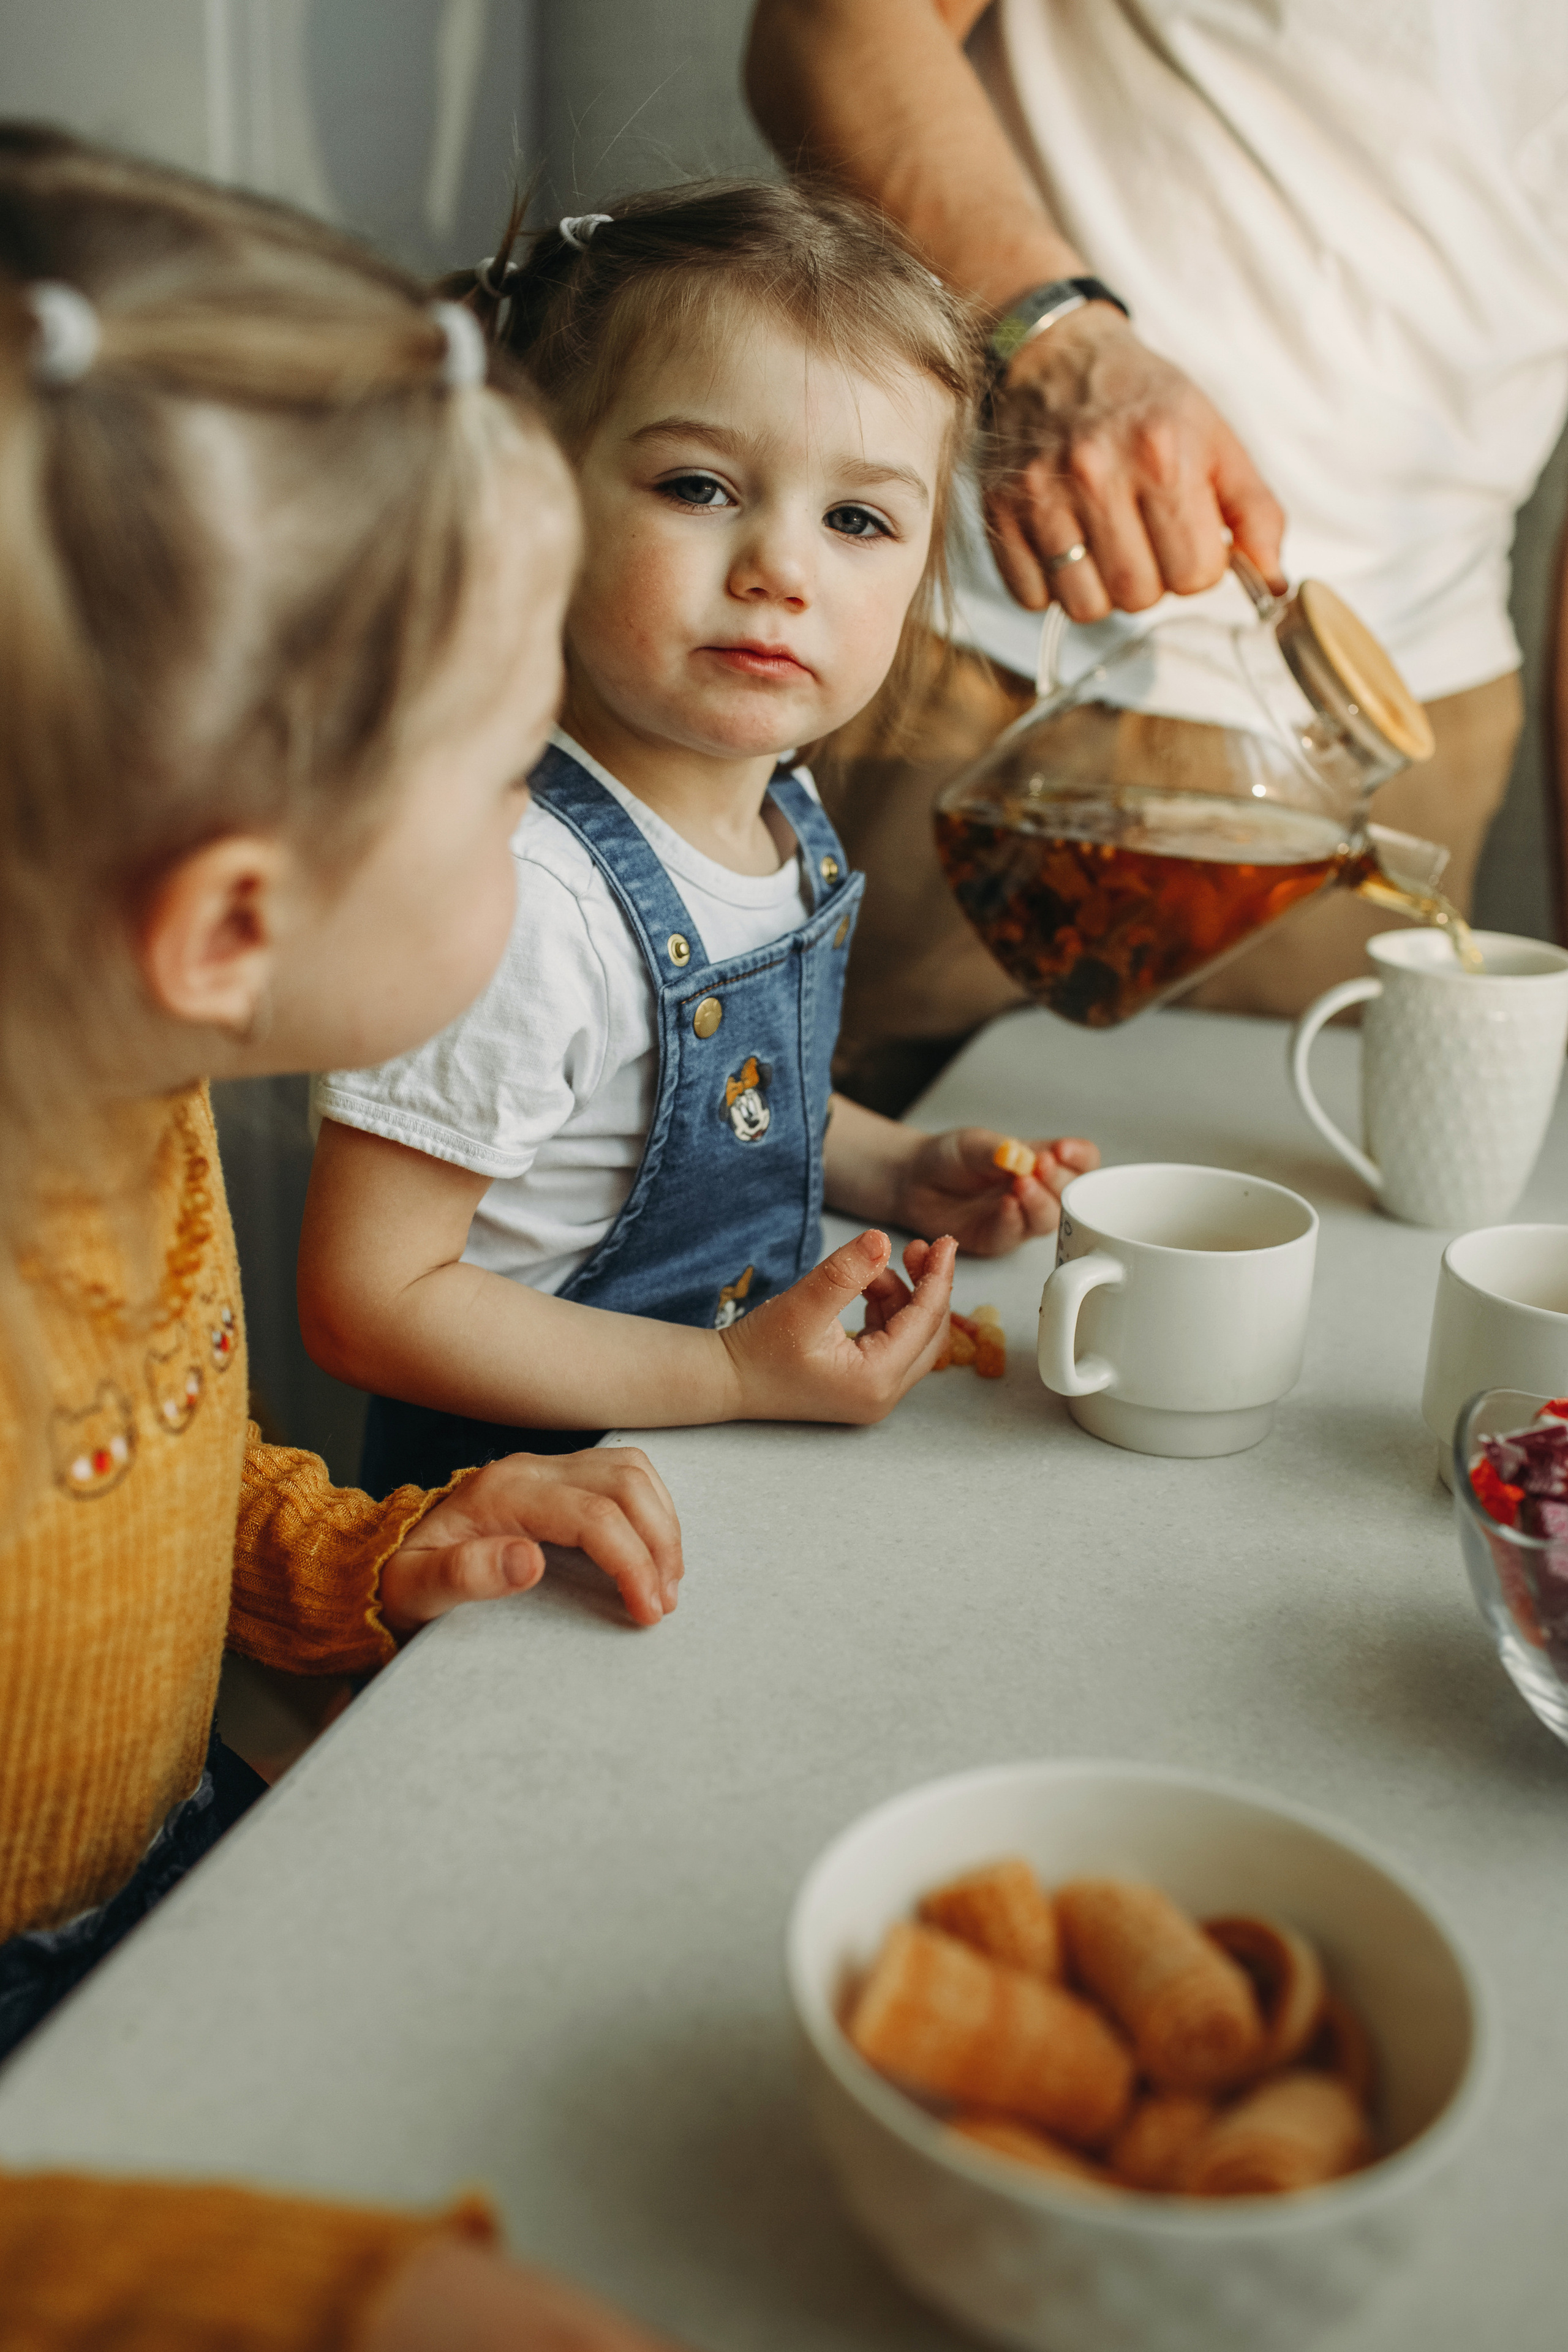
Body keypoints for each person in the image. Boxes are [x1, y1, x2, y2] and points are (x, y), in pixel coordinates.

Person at [0, 123, 694, 2350]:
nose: (548, 815)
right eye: (512, 777)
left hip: (172, 1871)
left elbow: (143, 1485)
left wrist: (362, 1560)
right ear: (230, 922)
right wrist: (322, 2300)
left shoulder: (129, 1088)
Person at [300, 181, 1099, 1498]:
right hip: (522, 1527)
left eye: (856, 519)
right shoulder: (516, 896)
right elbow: (366, 1300)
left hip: (721, 1478)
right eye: (698, 486)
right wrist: (732, 1376)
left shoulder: (775, 805)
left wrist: (895, 1167)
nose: (781, 568)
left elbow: (705, 1099)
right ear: (537, 509)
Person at [747, 0, 1568, 1111]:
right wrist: (1042, 330)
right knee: (824, 1188)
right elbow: (828, 24)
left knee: (1294, 1231)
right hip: (978, 667)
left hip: (1404, 740)